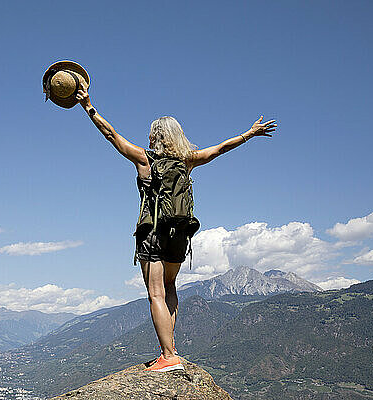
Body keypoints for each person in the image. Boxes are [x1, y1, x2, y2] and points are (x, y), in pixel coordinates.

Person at [75, 85, 277, 372]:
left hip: (153, 234)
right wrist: (249, 134)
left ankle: (168, 356)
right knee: (170, 287)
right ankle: (170, 347)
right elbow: (220, 148)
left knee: (156, 293)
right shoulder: (188, 161)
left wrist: (88, 108)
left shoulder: (145, 159)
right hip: (180, 235)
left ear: (155, 137)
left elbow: (111, 135)